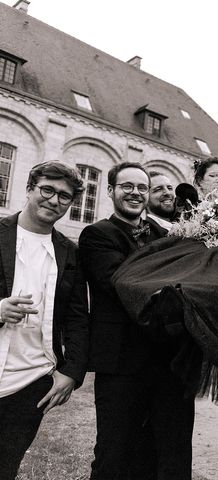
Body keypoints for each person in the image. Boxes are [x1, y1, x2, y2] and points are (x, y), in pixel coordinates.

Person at [79, 162, 194, 480]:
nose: (135, 193)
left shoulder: (170, 235)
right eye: (127, 186)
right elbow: (121, 282)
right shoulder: (97, 235)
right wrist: (178, 289)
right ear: (111, 190)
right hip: (121, 363)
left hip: (170, 363)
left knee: (172, 453)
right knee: (114, 454)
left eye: (142, 187)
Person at [0, 161, 89, 480]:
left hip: (31, 378)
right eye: (47, 190)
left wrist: (71, 373)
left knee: (6, 465)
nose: (54, 200)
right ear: (29, 189)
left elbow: (78, 318)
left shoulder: (69, 252)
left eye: (64, 196)